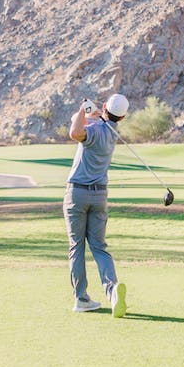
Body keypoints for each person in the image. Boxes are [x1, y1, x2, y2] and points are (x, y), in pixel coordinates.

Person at [64, 93, 129, 318]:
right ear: (123, 117)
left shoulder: (94, 131)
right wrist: (92, 115)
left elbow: (75, 132)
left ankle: (81, 299)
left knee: (77, 247)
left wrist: (83, 110)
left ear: (104, 107)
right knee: (99, 247)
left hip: (77, 194)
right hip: (100, 196)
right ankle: (112, 292)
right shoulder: (111, 132)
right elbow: (90, 125)